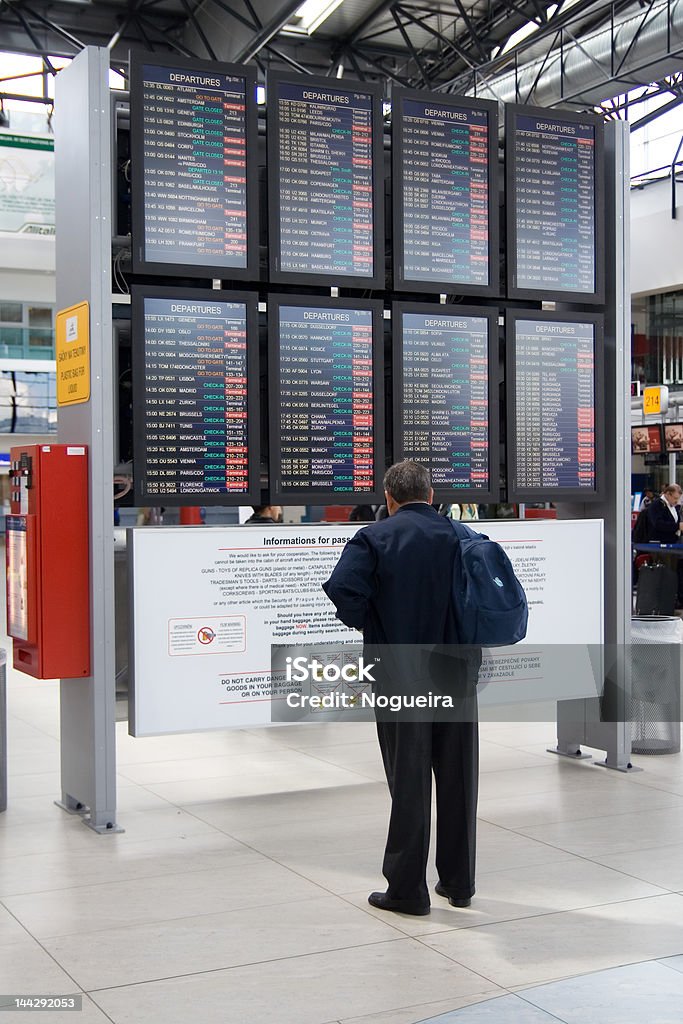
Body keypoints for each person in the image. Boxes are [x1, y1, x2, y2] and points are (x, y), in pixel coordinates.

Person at [322, 461, 479, 917]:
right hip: (457, 674)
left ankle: (407, 891)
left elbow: (343, 590)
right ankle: (459, 883)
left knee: (409, 781)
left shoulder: (375, 537)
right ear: (431, 495)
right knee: (459, 778)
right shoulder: (460, 535)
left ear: (389, 497)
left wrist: (374, 620)